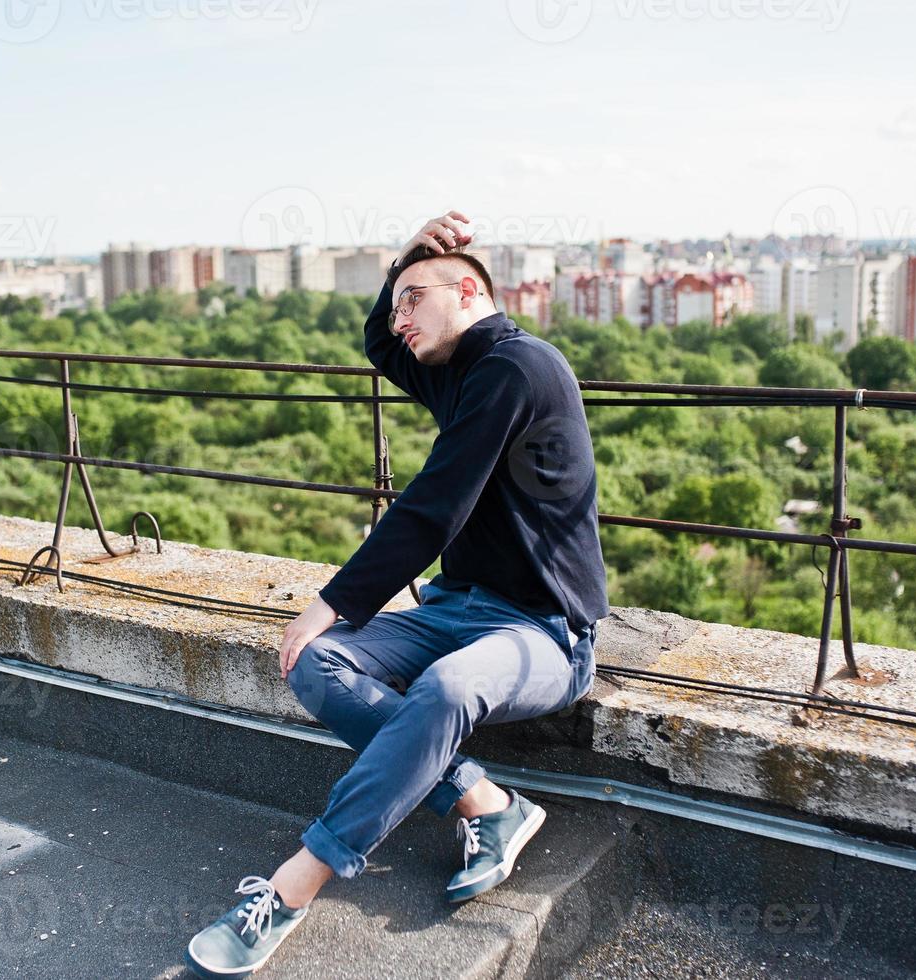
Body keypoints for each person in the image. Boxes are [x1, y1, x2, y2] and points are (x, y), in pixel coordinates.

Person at [185, 210, 608, 979]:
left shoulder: (516, 368)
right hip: (454, 611)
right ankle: (483, 801)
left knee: (444, 686)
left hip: (542, 633)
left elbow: (432, 504)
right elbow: (378, 342)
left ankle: (291, 889)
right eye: (395, 301)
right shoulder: (458, 368)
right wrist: (406, 257)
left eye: (413, 298)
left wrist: (332, 601)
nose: (397, 317)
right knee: (315, 664)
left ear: (471, 293)